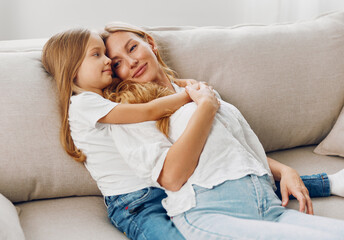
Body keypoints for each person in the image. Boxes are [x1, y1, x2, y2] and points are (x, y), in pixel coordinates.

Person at [41, 28, 344, 240]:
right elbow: (167, 161)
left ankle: (327, 181)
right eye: (109, 59)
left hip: (232, 188)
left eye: (131, 48)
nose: (118, 62)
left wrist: (285, 168)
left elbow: (229, 153)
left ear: (150, 43)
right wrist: (201, 102)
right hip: (140, 201)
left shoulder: (188, 90)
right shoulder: (119, 106)